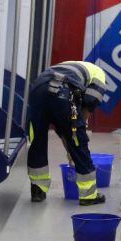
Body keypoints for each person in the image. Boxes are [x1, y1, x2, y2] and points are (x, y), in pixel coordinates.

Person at [26, 60, 109, 205]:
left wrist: (69, 146)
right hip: (63, 91)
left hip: (38, 90)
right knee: (78, 141)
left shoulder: (69, 66)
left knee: (37, 141)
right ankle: (88, 195)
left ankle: (37, 190)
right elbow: (89, 103)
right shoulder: (100, 75)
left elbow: (62, 126)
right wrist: (77, 132)